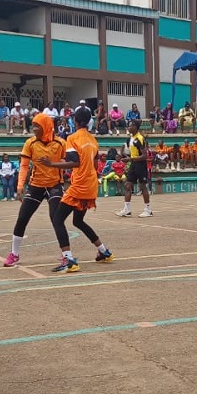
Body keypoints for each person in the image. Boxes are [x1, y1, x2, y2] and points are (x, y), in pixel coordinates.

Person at [36, 107, 114, 273]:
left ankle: (69, 259)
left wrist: (52, 164)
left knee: (57, 220)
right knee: (77, 221)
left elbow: (74, 162)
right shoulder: (93, 140)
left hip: (79, 185)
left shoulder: (72, 138)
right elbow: (93, 164)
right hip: (91, 184)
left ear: (75, 121)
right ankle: (103, 251)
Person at [3, 113, 67, 267]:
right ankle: (14, 253)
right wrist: (20, 186)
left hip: (55, 185)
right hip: (36, 185)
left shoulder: (60, 143)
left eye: (38, 126)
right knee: (22, 217)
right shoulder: (30, 143)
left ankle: (66, 254)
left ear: (46, 126)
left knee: (56, 218)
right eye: (33, 125)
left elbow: (67, 163)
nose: (34, 128)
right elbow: (24, 165)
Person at [115, 118, 153, 218]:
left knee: (142, 186)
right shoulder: (130, 139)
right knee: (127, 185)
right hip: (133, 164)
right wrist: (127, 157)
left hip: (140, 165)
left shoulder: (139, 139)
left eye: (131, 125)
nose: (128, 127)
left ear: (135, 127)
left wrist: (130, 159)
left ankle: (148, 210)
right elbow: (133, 153)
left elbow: (144, 156)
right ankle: (127, 210)